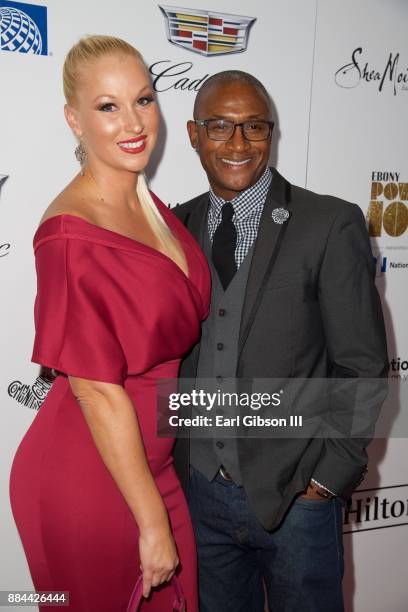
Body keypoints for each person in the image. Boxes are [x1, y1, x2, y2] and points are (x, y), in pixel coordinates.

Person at [173, 70, 388, 612]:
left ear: (273, 133)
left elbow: (362, 366)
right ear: (194, 135)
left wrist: (325, 482)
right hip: (199, 497)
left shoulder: (329, 222)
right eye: (220, 127)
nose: (239, 144)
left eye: (255, 127)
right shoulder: (174, 227)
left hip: (299, 501)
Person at [9, 35, 210, 612]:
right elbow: (97, 391)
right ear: (74, 120)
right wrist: (152, 525)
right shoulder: (69, 234)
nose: (133, 121)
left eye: (143, 100)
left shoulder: (152, 207)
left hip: (151, 467)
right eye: (107, 106)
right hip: (88, 478)